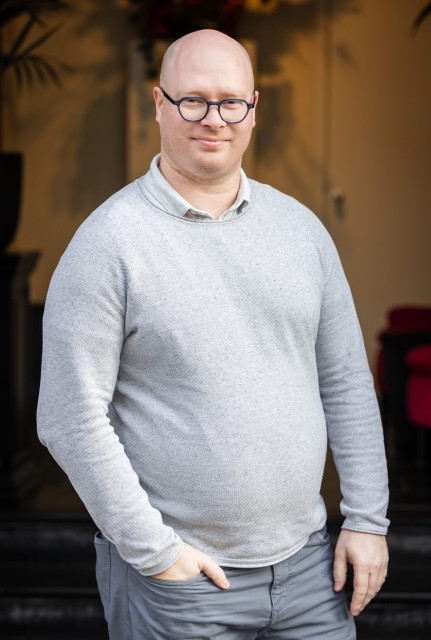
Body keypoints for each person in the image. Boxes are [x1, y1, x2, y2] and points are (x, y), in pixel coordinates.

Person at [37, 29, 389, 640]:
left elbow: (346, 383)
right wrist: (157, 554)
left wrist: (366, 519)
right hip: (181, 583)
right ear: (159, 103)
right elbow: (69, 416)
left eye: (230, 102)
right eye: (193, 100)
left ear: (254, 107)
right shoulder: (109, 242)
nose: (213, 119)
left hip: (312, 573)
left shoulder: (301, 231)